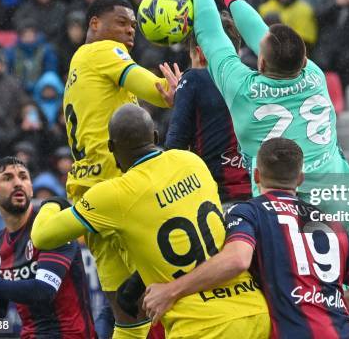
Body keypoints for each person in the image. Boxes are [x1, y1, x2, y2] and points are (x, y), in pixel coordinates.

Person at [179, 0, 349, 338]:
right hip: (342, 201)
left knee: (289, 312)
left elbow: (210, 34)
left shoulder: (243, 89)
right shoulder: (316, 76)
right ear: (303, 60)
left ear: (261, 63)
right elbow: (264, 36)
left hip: (283, 216)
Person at [31, 104, 270, 338]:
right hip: (254, 312)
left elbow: (42, 236)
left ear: (111, 147)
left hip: (202, 326)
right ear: (155, 136)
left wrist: (52, 203)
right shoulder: (191, 161)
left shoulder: (114, 194)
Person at [143, 137, 349, 337]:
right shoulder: (332, 224)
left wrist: (172, 290)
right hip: (345, 331)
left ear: (257, 175)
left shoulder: (250, 212)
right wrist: (322, 307)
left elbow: (236, 260)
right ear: (300, 179)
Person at [60, 0, 179, 338]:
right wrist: (173, 89)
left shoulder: (77, 65)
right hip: (122, 189)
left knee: (126, 313)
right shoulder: (102, 52)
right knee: (170, 290)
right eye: (122, 22)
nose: (130, 31)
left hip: (89, 193)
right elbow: (155, 90)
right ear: (95, 23)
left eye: (133, 26)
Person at [0, 157, 95, 338]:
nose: (18, 183)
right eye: (8, 178)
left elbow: (43, 291)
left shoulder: (52, 227)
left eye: (23, 177)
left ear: (31, 189)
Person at [165, 12, 251, 208]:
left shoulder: (194, 79)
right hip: (260, 197)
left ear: (201, 53)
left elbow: (174, 150)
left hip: (219, 199)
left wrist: (183, 97)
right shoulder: (255, 79)